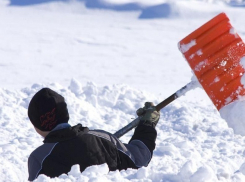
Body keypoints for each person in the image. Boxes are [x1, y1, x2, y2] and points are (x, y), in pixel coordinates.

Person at [27, 88, 160, 181]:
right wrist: (147, 124)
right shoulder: (103, 139)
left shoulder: (38, 158)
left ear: (37, 125)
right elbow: (139, 159)